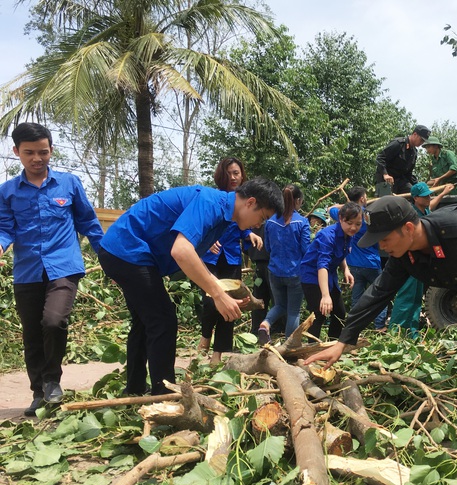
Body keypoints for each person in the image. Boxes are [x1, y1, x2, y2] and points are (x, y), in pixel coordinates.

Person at [303, 196, 457, 428]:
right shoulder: (403, 255)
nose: (381, 246)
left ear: (408, 228)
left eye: (385, 239)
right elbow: (377, 294)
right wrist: (342, 342)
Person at [98, 178, 283, 396]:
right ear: (250, 202)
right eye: (262, 217)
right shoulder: (210, 203)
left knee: (146, 321)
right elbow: (182, 251)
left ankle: (135, 389)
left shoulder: (224, 215)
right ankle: (165, 393)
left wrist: (222, 293)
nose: (259, 224)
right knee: (163, 320)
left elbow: (192, 257)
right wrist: (217, 294)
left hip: (123, 251)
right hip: (127, 250)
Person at [0, 122, 105, 416]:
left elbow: (88, 223)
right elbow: (6, 229)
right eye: (30, 153)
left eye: (43, 152)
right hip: (27, 270)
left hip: (64, 266)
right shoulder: (7, 192)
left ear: (51, 150)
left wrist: (108, 255)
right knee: (32, 333)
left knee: (54, 321)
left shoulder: (69, 184)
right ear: (16, 152)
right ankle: (38, 393)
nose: (37, 158)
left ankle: (52, 380)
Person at [198, 157, 262, 365]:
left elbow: (242, 225)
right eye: (229, 173)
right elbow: (201, 224)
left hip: (232, 257)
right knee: (210, 301)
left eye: (237, 173)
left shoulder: (246, 199)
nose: (233, 177)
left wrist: (249, 235)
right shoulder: (214, 197)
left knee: (232, 303)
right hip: (210, 258)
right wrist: (206, 243)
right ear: (221, 175)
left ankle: (218, 354)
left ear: (242, 174)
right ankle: (205, 336)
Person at [389, 182, 455, 339]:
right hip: (411, 260)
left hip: (421, 263)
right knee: (407, 296)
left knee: (417, 297)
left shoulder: (423, 210)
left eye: (429, 195)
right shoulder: (411, 214)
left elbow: (431, 206)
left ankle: (411, 331)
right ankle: (396, 331)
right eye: (425, 196)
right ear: (415, 198)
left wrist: (443, 193)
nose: (428, 198)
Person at [329, 187, 387, 333]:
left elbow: (330, 209)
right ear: (362, 199)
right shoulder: (367, 217)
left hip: (353, 265)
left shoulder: (346, 218)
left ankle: (354, 327)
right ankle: (379, 326)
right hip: (371, 263)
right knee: (380, 295)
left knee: (357, 298)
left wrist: (345, 206)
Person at [300, 202, 361, 339]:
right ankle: (311, 349)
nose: (353, 227)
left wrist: (346, 270)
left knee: (339, 312)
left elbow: (340, 254)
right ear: (341, 219)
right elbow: (322, 265)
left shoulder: (349, 235)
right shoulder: (327, 236)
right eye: (349, 222)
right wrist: (325, 295)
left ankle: (333, 343)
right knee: (319, 313)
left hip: (329, 275)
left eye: (358, 224)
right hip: (313, 275)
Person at [257, 184, 310, 344]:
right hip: (295, 273)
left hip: (274, 271)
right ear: (298, 201)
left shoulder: (271, 222)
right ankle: (289, 346)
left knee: (280, 305)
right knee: (293, 311)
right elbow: (305, 249)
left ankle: (265, 324)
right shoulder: (302, 222)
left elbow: (267, 248)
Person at [375, 125, 431, 194]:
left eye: (424, 141)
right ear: (415, 134)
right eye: (421, 140)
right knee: (387, 202)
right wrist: (385, 174)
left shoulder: (414, 152)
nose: (422, 142)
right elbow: (380, 158)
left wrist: (419, 186)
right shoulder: (398, 144)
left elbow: (409, 174)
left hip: (400, 181)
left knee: (416, 194)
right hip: (386, 180)